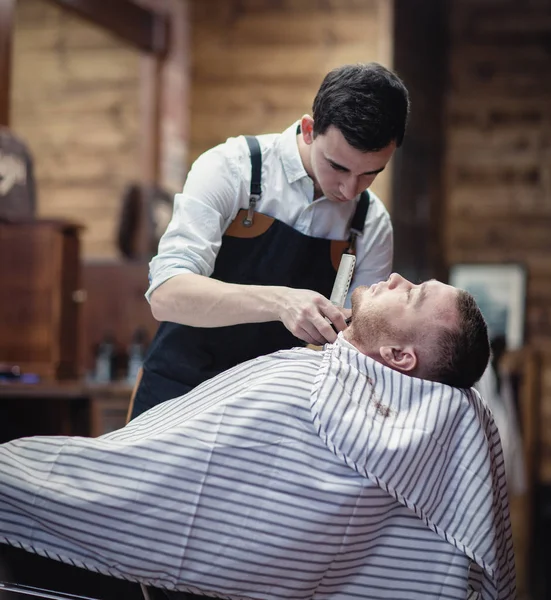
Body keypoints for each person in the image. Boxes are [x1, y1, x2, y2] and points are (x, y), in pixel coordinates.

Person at [0, 275, 515, 600]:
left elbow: (151, 489)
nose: (399, 277)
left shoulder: (311, 402)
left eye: (414, 295)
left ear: (401, 359)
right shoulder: (432, 424)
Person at [131, 62, 410, 419]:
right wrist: (280, 301)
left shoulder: (371, 222)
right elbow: (167, 296)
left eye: (370, 173)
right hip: (179, 391)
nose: (349, 189)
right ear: (309, 130)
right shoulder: (231, 169)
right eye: (338, 167)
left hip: (273, 412)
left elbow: (363, 345)